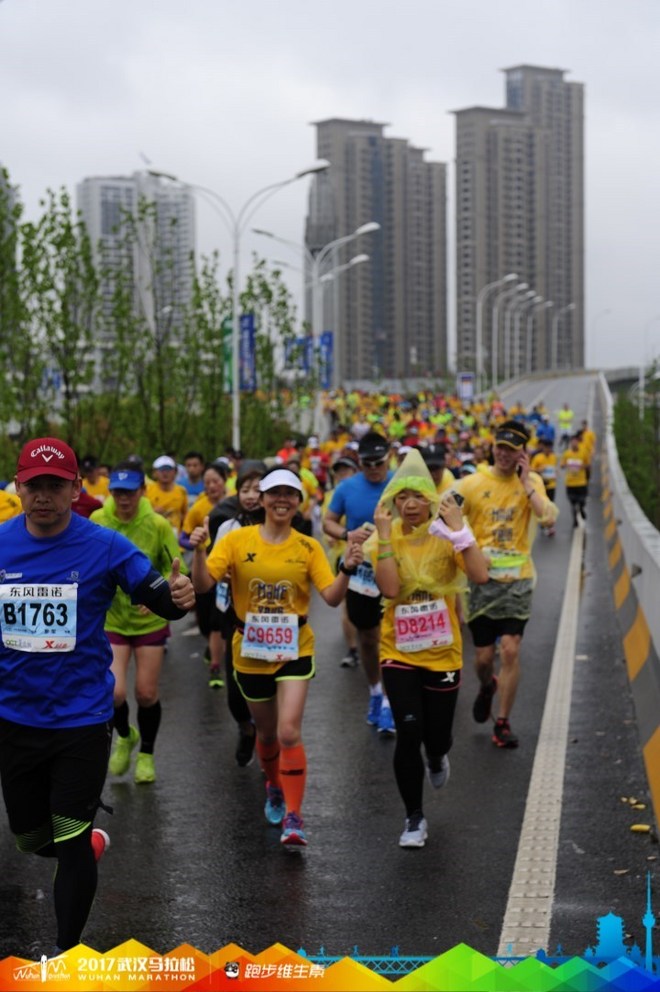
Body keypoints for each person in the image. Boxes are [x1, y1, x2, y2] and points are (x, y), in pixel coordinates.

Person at [0, 437, 194, 953]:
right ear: (19, 487)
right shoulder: (0, 543)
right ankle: (87, 841)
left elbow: (158, 596)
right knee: (29, 838)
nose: (43, 495)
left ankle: (66, 955)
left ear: (75, 488)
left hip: (80, 721)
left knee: (69, 844)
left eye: (55, 486)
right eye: (34, 485)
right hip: (14, 718)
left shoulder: (105, 544)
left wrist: (176, 598)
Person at [190, 467, 363, 847]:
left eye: (290, 494)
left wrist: (347, 566)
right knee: (266, 733)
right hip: (249, 649)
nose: (281, 500)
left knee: (288, 731)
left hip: (294, 648)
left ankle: (295, 817)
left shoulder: (307, 546)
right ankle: (273, 786)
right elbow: (203, 584)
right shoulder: (237, 541)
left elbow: (332, 597)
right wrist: (200, 551)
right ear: (262, 499)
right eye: (274, 493)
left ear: (299, 502)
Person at [370, 450, 488, 847]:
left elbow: (480, 574)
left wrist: (460, 530)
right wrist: (384, 537)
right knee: (407, 730)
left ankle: (437, 756)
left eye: (417, 497)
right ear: (393, 502)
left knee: (436, 737)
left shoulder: (448, 532)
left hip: (442, 652)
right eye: (402, 497)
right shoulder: (383, 538)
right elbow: (388, 589)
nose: (410, 505)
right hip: (399, 650)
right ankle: (414, 819)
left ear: (431, 500)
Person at [457, 420, 557, 748]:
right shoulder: (472, 484)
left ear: (522, 454)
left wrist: (527, 483)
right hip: (483, 583)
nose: (503, 454)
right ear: (492, 447)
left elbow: (548, 517)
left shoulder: (532, 483)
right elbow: (445, 518)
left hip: (518, 582)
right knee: (484, 659)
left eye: (511, 449)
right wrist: (468, 551)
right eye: (500, 447)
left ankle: (502, 722)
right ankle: (487, 686)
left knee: (511, 650)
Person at [91, 461, 186, 784]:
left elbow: (177, 568)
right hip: (113, 620)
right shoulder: (98, 521)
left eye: (130, 492)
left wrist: (161, 594)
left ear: (142, 491)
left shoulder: (157, 524)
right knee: (114, 693)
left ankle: (146, 752)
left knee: (145, 693)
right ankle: (124, 735)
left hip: (149, 622)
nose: (123, 498)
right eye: (117, 492)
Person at [323, 431, 397, 734]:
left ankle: (392, 703)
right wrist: (346, 535)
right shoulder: (347, 488)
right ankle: (376, 691)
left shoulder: (400, 482)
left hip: (396, 567)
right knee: (368, 637)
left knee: (394, 635)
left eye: (378, 462)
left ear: (389, 457)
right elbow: (328, 521)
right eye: (367, 463)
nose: (373, 468)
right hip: (362, 574)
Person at [146, 455, 189, 535]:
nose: (165, 473)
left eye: (168, 469)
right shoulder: (147, 490)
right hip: (152, 533)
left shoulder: (181, 491)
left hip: (175, 535)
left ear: (175, 472)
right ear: (154, 473)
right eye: (161, 470)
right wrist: (152, 512)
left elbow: (185, 516)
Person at [560, 434, 589, 526]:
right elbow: (562, 465)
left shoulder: (583, 452)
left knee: (582, 501)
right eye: (572, 442)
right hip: (570, 482)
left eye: (575, 442)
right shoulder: (567, 454)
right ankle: (575, 520)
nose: (574, 443)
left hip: (581, 482)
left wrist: (581, 466)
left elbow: (588, 465)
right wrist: (566, 465)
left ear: (578, 442)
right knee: (572, 503)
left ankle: (581, 509)